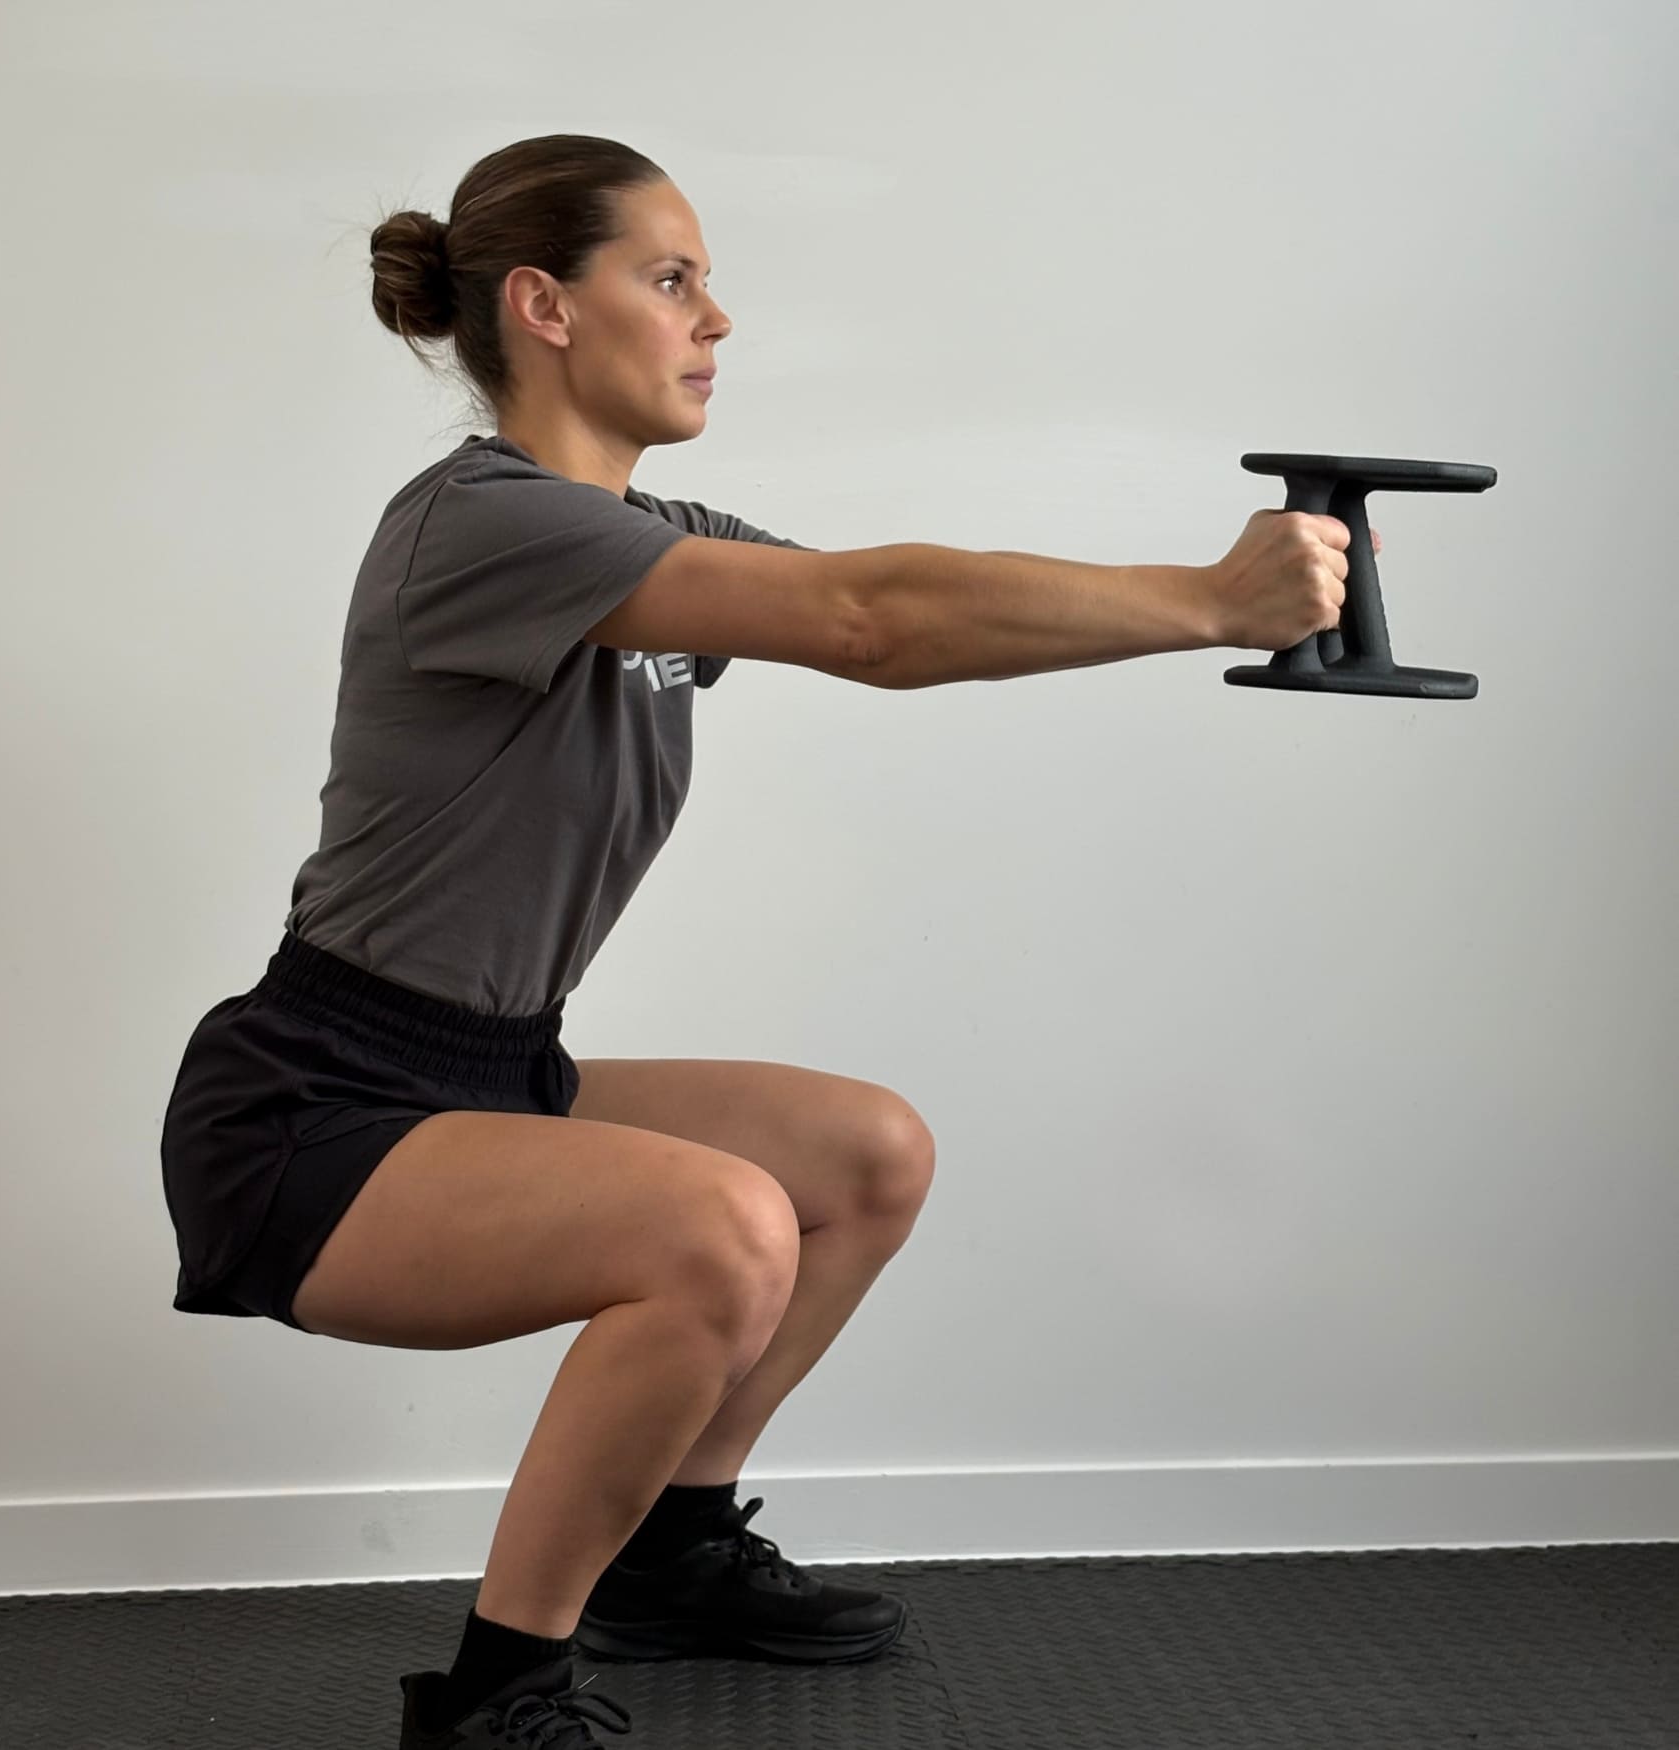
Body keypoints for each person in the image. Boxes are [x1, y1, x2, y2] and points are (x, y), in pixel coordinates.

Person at [159, 133, 1373, 1750]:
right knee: (719, 1226)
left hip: (488, 1074)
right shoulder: (481, 524)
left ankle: (668, 1546)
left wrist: (1196, 605)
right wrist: (1212, 602)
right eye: (670, 281)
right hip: (315, 1110)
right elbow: (871, 617)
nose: (715, 320)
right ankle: (494, 1690)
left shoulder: (645, 537)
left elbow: (895, 616)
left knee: (861, 1154)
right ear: (543, 306)